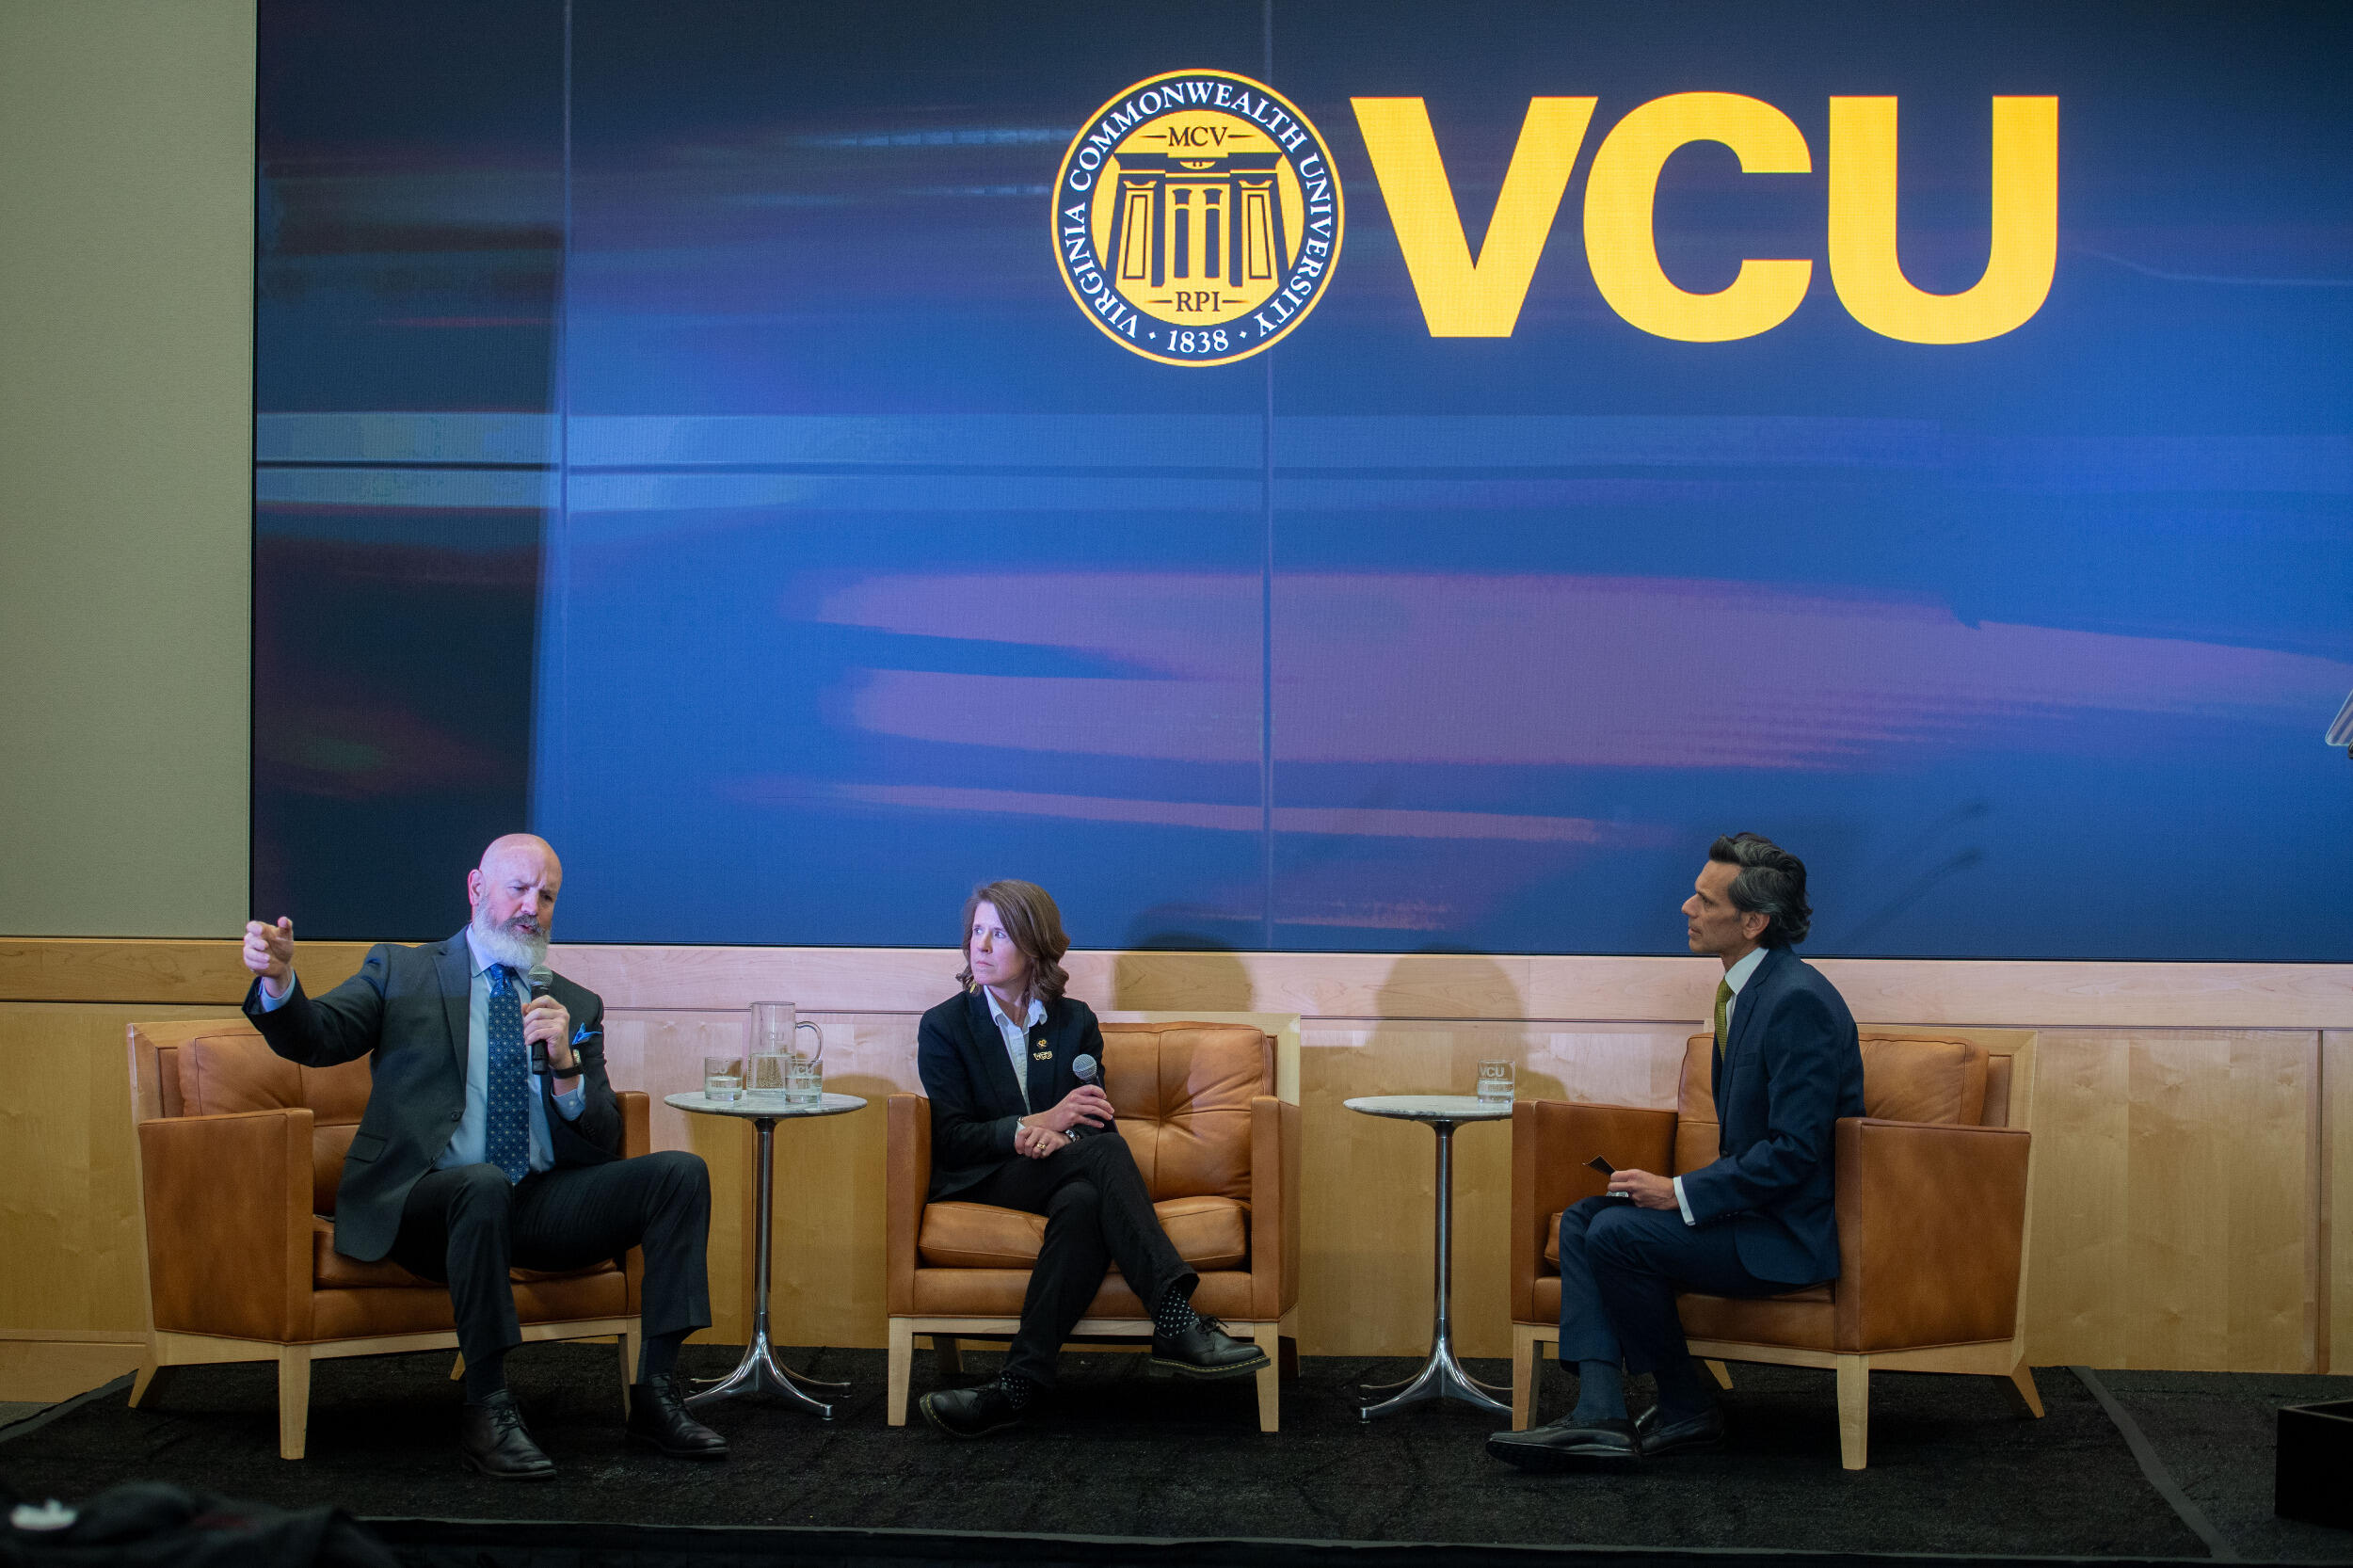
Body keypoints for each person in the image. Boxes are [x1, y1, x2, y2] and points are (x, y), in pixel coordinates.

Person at [240, 833, 725, 1480]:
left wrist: (566, 1071)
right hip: (427, 1200)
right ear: (476, 889)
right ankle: (488, 1407)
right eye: (519, 888)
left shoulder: (573, 1005)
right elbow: (318, 1037)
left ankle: (655, 1395)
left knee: (679, 1175)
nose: (533, 907)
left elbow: (604, 1139)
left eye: (547, 895)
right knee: (480, 1184)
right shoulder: (403, 972)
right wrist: (278, 981)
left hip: (535, 1202)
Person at [1487, 832, 1865, 1470]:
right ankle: (1600, 1413)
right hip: (1746, 1217)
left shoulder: (1797, 1000)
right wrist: (1671, 1190)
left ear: (1753, 920)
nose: (1686, 908)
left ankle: (1685, 1403)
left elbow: (1795, 1152)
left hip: (1782, 1239)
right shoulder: (1751, 992)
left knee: (1616, 1234)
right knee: (1585, 1219)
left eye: (1702, 898)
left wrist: (1680, 1192)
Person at [912, 879, 1268, 1437]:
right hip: (986, 1176)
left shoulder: (1073, 1020)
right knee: (1100, 1155)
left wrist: (1061, 1137)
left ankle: (1017, 1387)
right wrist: (1036, 1125)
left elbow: (1092, 1116)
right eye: (976, 932)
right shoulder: (945, 1026)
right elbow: (954, 1137)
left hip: (1062, 1170)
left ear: (1035, 945)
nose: (980, 946)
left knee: (1081, 1199)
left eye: (998, 933)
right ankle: (1175, 1318)